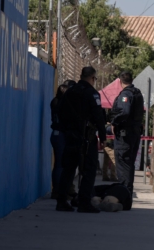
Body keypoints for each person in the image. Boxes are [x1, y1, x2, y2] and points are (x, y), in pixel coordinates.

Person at [56, 66, 106, 213]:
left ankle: (61, 201)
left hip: (71, 136)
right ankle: (84, 202)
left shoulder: (70, 91)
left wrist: (67, 128)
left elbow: (60, 109)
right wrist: (102, 136)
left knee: (69, 169)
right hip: (87, 137)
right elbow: (98, 117)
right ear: (92, 78)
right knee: (89, 169)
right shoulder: (92, 93)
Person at [110, 71, 144, 210]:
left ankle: (124, 198)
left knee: (123, 166)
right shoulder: (137, 93)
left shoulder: (126, 94)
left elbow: (124, 112)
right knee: (128, 166)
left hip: (125, 135)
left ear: (119, 81)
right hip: (133, 134)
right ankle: (127, 199)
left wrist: (114, 122)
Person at [50, 80, 77, 200]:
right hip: (61, 135)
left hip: (56, 134)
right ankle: (58, 191)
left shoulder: (55, 102)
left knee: (59, 164)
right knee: (62, 165)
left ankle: (59, 190)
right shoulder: (63, 104)